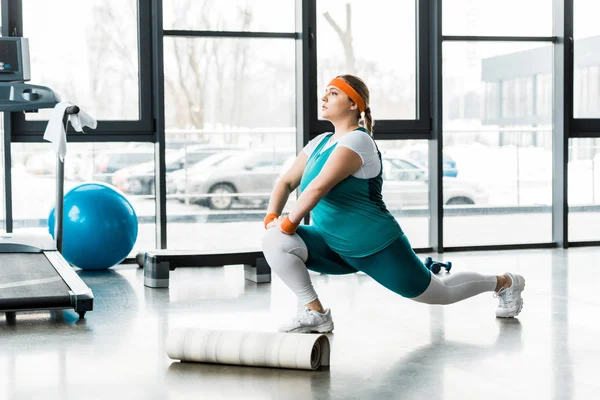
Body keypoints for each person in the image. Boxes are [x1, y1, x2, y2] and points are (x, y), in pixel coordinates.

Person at [261, 74, 525, 334]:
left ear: (354, 103)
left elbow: (319, 187)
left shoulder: (358, 140)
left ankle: (505, 282)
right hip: (331, 243)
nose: (323, 97)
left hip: (375, 245)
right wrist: (271, 217)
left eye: (333, 93)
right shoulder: (320, 142)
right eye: (326, 92)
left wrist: (288, 222)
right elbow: (286, 182)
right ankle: (317, 313)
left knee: (439, 292)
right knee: (275, 241)